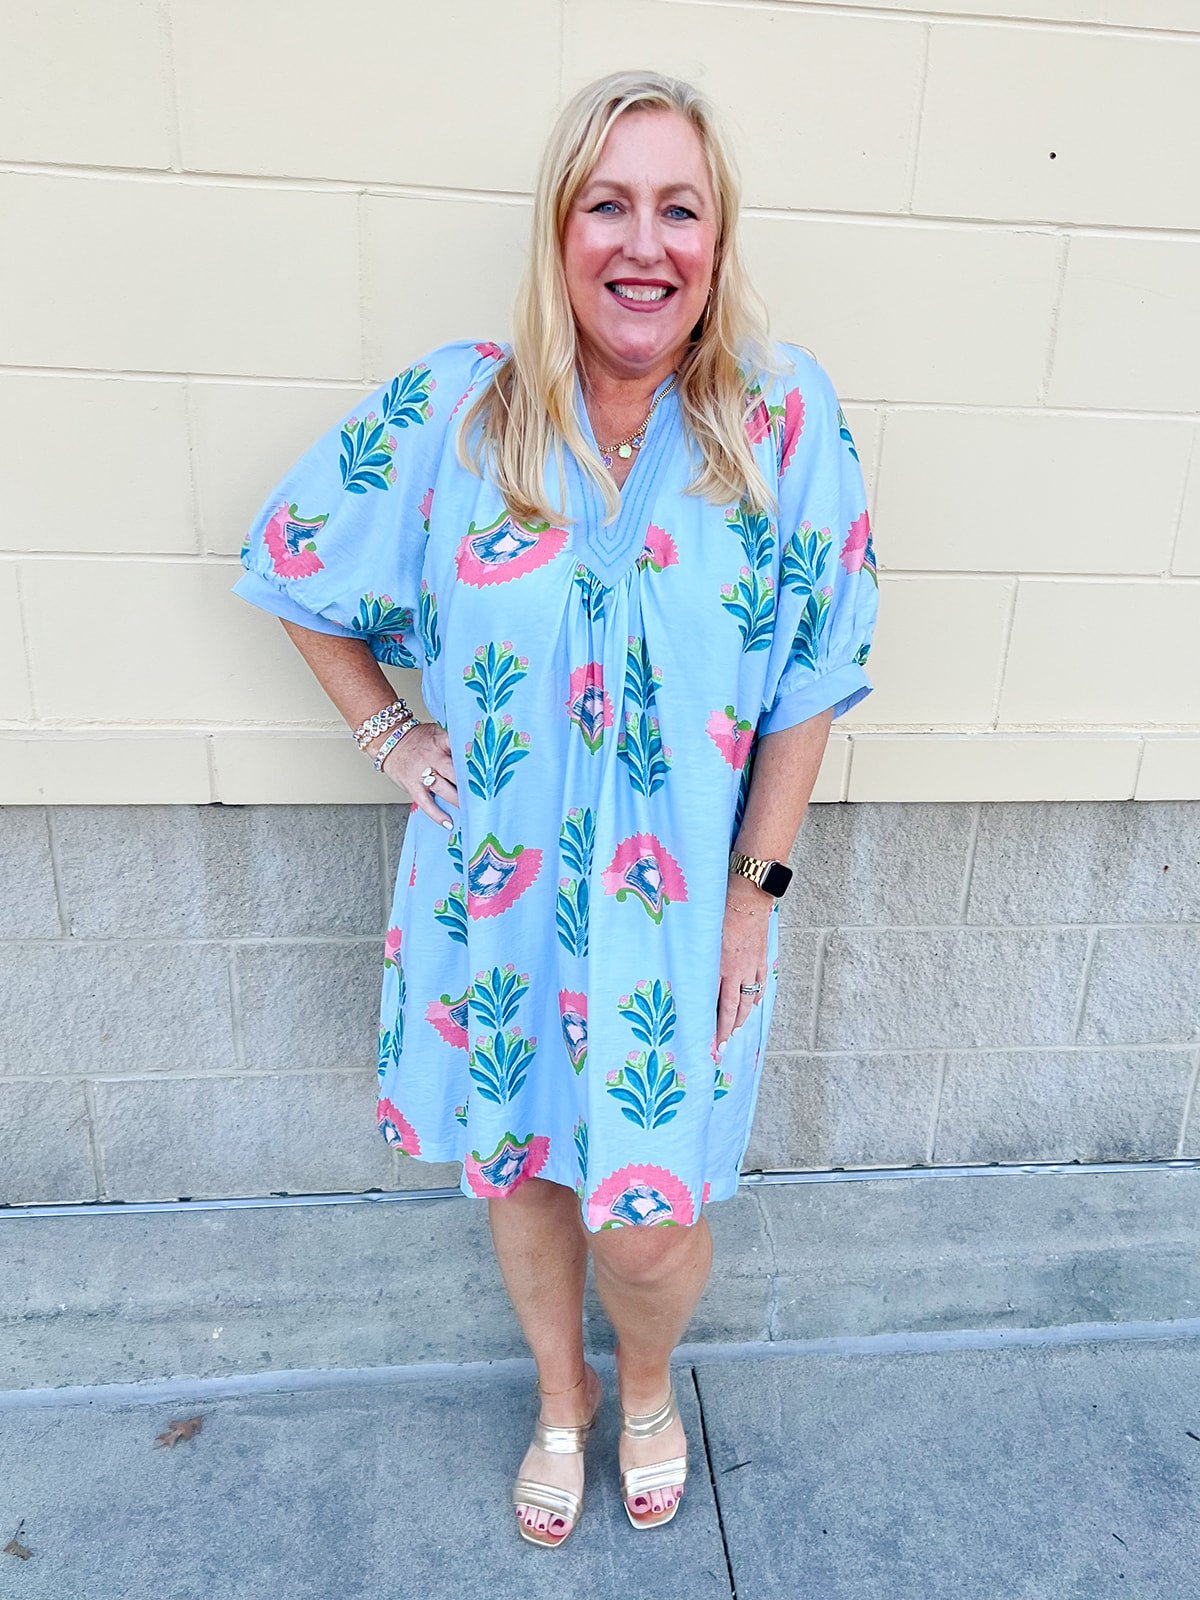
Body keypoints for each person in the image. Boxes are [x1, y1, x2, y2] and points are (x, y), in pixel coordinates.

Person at [233, 69, 878, 1548]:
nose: (643, 244)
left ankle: (646, 1385)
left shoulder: (781, 420)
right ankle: (560, 1396)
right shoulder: (463, 411)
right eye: (608, 206)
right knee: (523, 1174)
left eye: (678, 209)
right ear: (559, 230)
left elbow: (815, 674)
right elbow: (293, 559)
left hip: (681, 909)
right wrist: (392, 733)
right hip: (500, 890)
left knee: (651, 1223)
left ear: (717, 238)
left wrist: (753, 899)